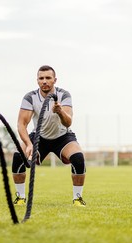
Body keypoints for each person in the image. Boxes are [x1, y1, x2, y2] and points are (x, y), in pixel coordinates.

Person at [12, 65, 86, 207]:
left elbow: (68, 122)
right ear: (37, 81)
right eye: (41, 78)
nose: (44, 81)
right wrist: (28, 144)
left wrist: (60, 111)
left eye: (48, 78)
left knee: (78, 158)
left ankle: (77, 198)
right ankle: (20, 197)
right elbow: (22, 124)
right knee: (17, 156)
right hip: (39, 137)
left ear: (54, 80)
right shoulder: (30, 97)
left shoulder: (64, 95)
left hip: (62, 137)